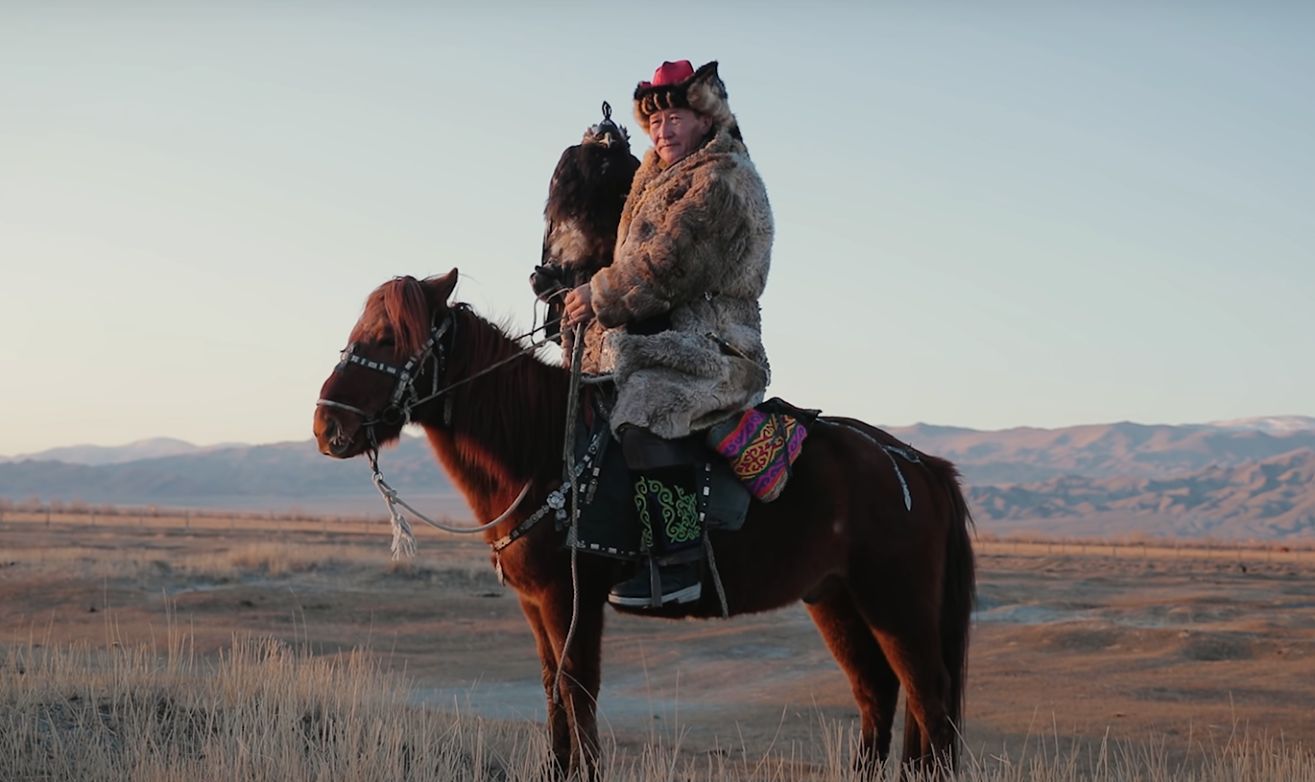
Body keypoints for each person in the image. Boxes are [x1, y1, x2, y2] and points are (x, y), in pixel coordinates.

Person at [562, 60, 774, 608]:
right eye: (654, 123)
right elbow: (625, 259)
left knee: (645, 416)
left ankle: (679, 565)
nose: (662, 131)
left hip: (713, 346)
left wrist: (598, 296)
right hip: (654, 339)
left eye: (675, 117)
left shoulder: (723, 178)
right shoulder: (654, 177)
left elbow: (667, 264)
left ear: (705, 118)